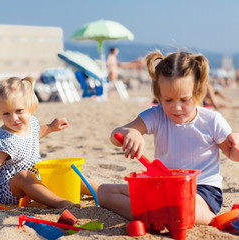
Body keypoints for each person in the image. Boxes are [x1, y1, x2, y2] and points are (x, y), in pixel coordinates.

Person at [97, 51, 239, 225]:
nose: (176, 107)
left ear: (198, 92)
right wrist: (131, 132)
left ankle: (214, 221)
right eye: (168, 100)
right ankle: (159, 215)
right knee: (104, 193)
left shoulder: (212, 120)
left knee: (179, 204)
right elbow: (115, 135)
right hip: (163, 188)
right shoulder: (157, 115)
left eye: (184, 99)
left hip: (201, 190)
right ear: (159, 96)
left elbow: (233, 155)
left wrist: (236, 144)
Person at [0, 76, 99, 210]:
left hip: (33, 180)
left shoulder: (31, 122)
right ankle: (60, 203)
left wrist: (51, 127)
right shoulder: (4, 141)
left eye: (19, 111)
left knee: (64, 172)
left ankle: (100, 191)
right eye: (6, 114)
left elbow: (34, 136)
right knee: (23, 176)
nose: (14, 118)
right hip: (7, 190)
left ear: (30, 106)